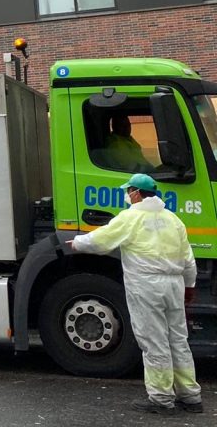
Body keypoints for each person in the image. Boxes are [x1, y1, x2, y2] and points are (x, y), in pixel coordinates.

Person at [71, 173, 202, 415]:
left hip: (146, 285)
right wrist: (189, 286)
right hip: (174, 284)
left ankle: (162, 399)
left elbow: (102, 240)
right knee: (178, 340)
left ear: (136, 193)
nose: (127, 195)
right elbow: (188, 260)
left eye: (128, 191)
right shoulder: (174, 220)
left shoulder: (131, 217)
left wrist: (78, 243)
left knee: (154, 342)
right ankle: (191, 396)